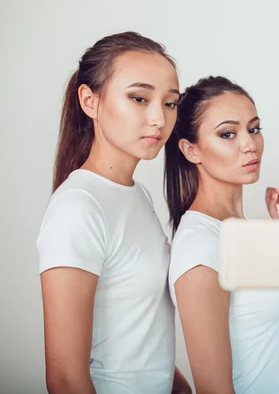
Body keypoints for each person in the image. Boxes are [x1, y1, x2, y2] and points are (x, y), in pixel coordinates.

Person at [37, 31, 190, 394]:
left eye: (170, 103)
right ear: (89, 101)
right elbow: (64, 377)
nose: (158, 119)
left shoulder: (137, 196)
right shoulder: (79, 208)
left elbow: (140, 328)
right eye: (139, 98)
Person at [165, 76, 279, 393]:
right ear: (191, 150)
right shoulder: (201, 247)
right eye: (228, 134)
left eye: (253, 129)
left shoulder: (243, 229)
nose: (249, 144)